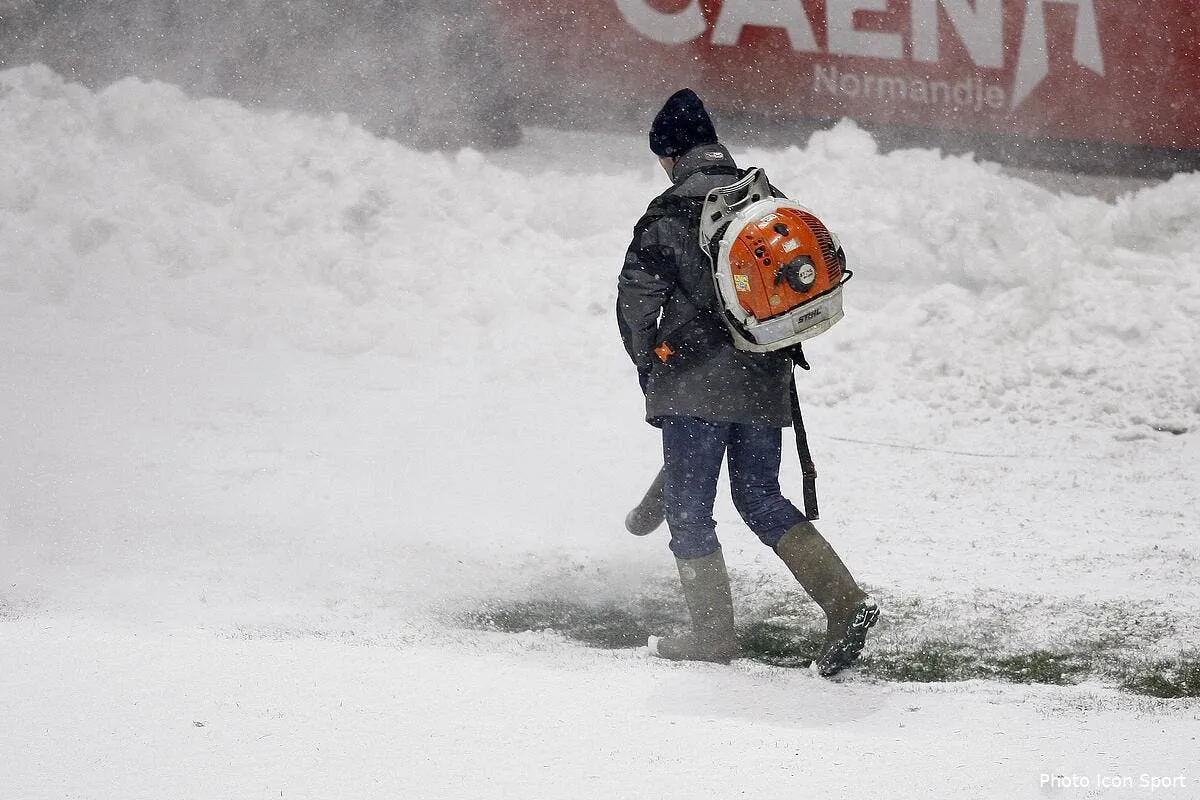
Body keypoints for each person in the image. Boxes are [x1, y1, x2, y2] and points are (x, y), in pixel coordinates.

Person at [616, 88, 878, 677]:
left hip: (694, 388)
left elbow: (636, 305)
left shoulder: (665, 215)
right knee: (760, 497)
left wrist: (650, 367)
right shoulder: (766, 200)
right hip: (766, 379)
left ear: (672, 153)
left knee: (689, 512)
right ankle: (845, 604)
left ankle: (713, 636)